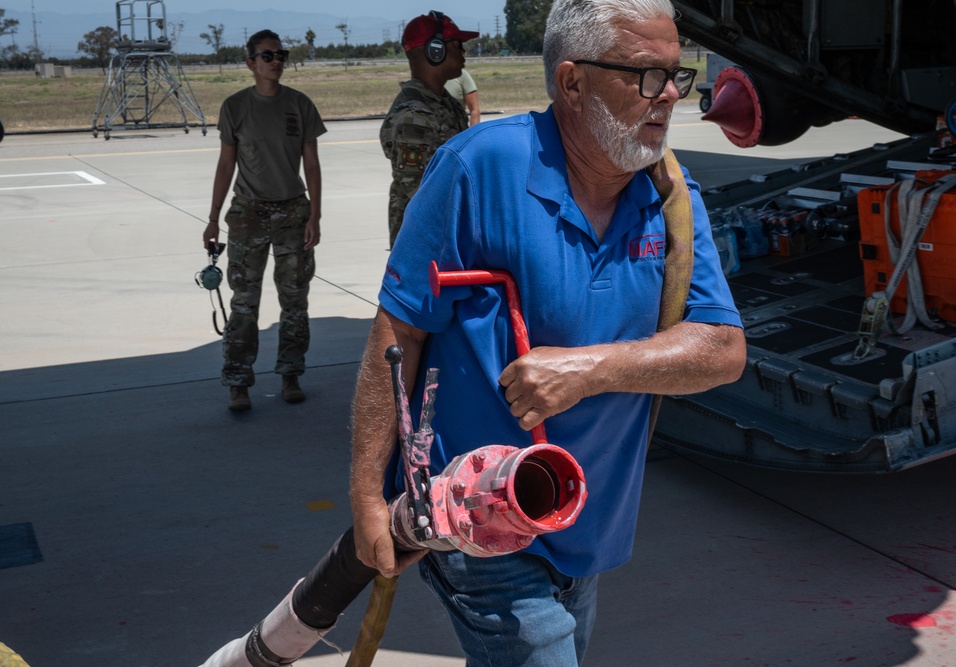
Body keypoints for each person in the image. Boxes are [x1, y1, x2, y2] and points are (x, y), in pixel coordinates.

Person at [350, 0, 746, 664]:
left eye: (680, 73)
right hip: (478, 517)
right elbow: (400, 331)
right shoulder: (478, 169)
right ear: (571, 82)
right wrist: (367, 493)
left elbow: (722, 348)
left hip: (583, 520)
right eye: (647, 75)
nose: (672, 94)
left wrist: (590, 369)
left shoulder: (673, 199)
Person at [202, 29, 326, 413]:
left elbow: (311, 163)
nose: (276, 62)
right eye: (267, 56)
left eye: (280, 55)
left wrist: (315, 215)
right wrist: (212, 219)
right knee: (244, 302)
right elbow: (226, 164)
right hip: (248, 214)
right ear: (250, 63)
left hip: (293, 212)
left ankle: (291, 374)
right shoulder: (235, 107)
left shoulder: (300, 105)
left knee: (294, 300)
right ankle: (238, 382)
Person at [379, 11, 478, 248]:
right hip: (424, 244)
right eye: (458, 45)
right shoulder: (414, 116)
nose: (464, 53)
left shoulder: (446, 104)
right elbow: (419, 192)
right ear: (436, 50)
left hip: (445, 236)